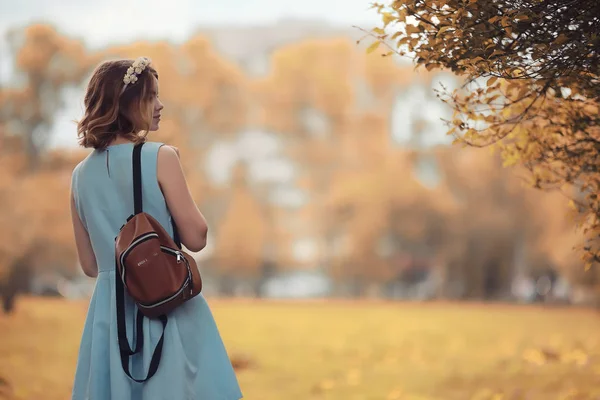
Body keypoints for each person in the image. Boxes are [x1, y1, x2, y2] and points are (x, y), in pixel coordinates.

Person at [69, 57, 243, 400]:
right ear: (126, 103)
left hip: (111, 318)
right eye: (151, 96)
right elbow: (196, 237)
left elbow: (91, 266)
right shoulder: (160, 156)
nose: (160, 105)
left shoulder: (79, 176)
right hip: (164, 306)